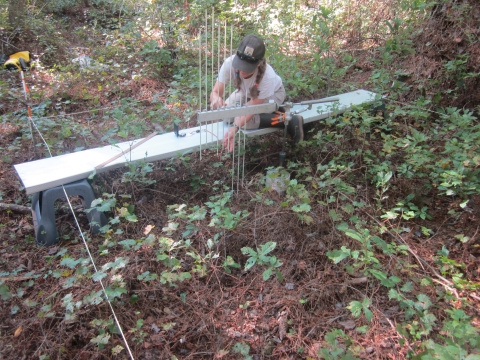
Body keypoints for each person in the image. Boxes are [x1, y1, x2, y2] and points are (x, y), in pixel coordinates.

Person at [209, 34, 304, 152]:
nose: (242, 70)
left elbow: (251, 109)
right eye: (241, 65)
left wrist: (235, 128)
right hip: (247, 93)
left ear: (258, 63)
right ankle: (275, 111)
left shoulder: (267, 76)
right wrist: (216, 98)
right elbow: (215, 91)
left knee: (245, 124)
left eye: (247, 67)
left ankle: (286, 119)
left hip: (272, 95)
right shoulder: (229, 63)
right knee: (227, 115)